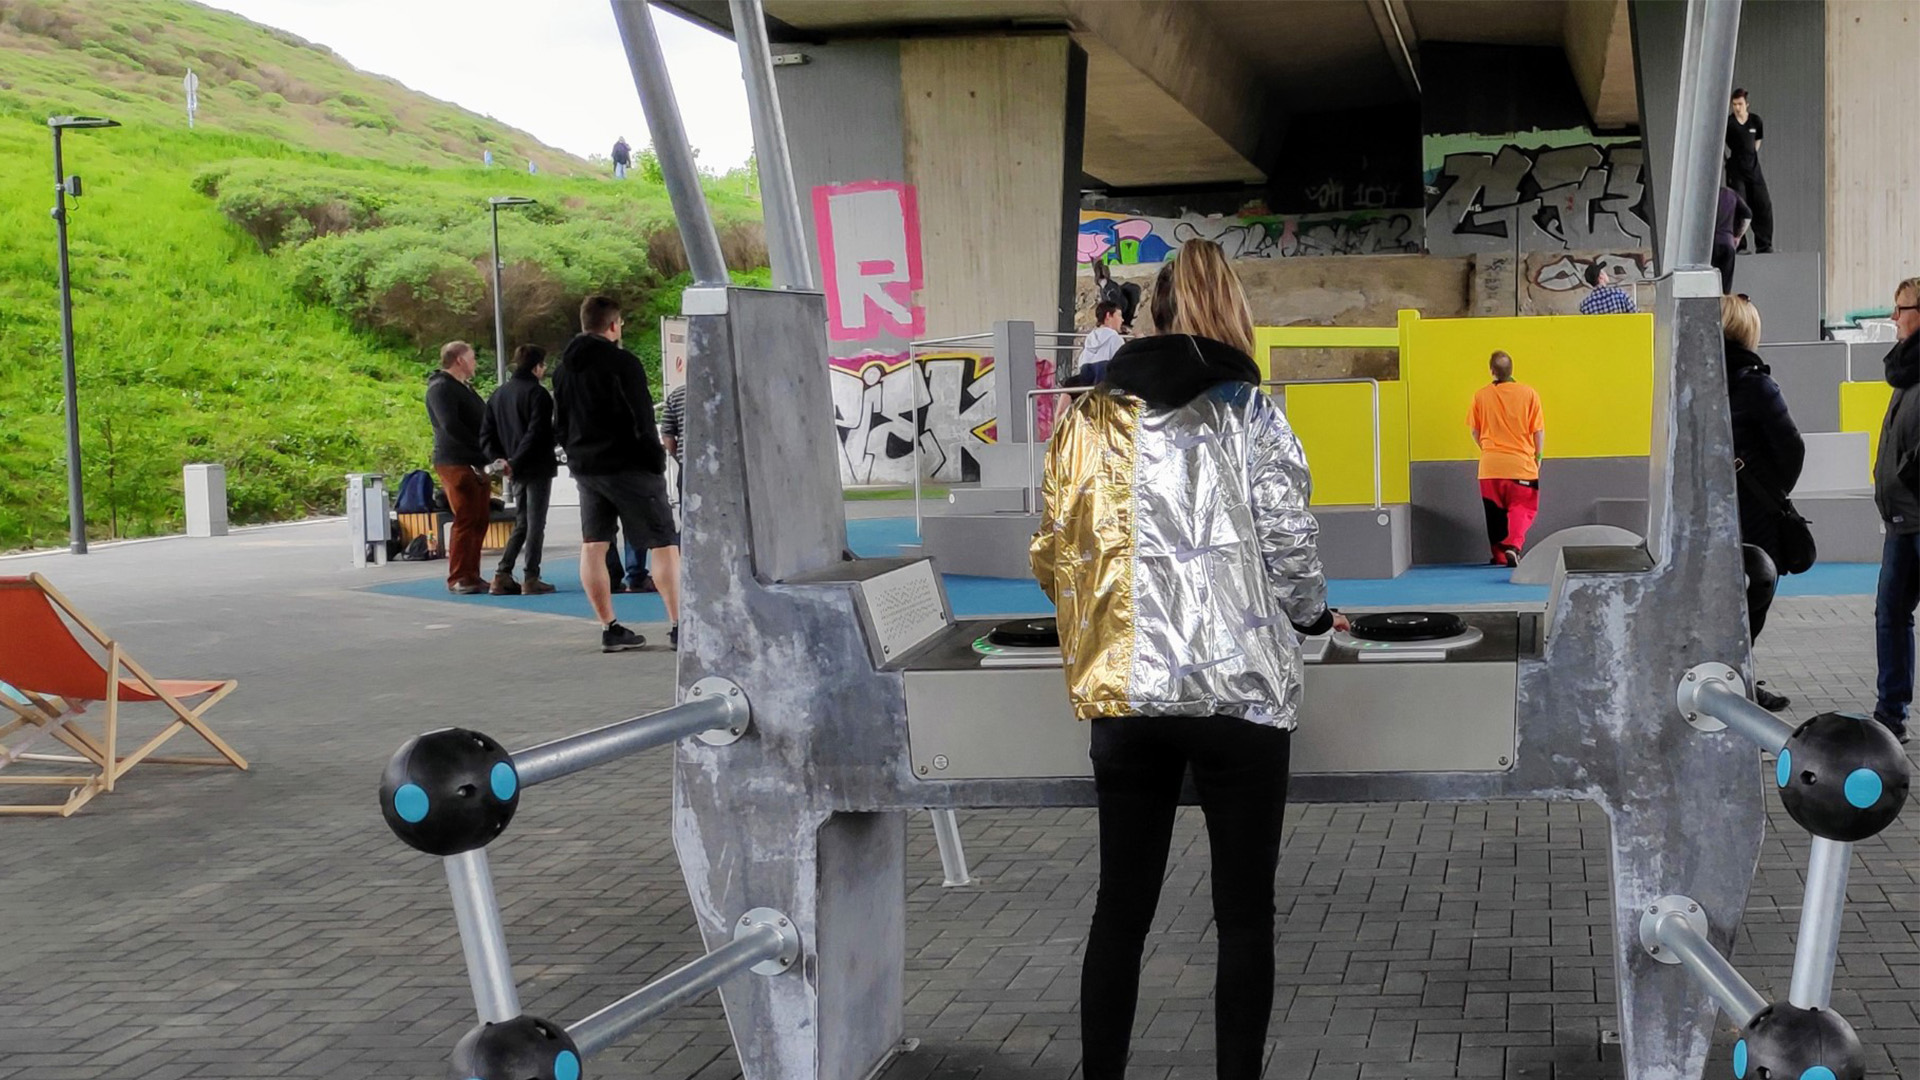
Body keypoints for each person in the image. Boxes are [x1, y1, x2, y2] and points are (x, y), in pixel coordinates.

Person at [1030, 239, 1345, 1080]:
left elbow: (1053, 552)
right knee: (1244, 917)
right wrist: (1314, 621)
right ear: (1232, 312)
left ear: (1152, 315)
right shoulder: (1249, 409)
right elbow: (1290, 546)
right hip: (1240, 700)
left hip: (1125, 700)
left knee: (1120, 911)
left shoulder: (1087, 413)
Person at [553, 295, 682, 652]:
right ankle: (679, 624)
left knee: (594, 544)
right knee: (663, 543)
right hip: (630, 466)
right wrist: (654, 459)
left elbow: (559, 422)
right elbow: (641, 415)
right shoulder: (623, 363)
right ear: (613, 325)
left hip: (586, 468)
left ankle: (610, 626)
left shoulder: (562, 370)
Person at [1723, 295, 1803, 711]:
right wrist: (1774, 492)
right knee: (1757, 588)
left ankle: (1731, 676)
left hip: (1709, 511)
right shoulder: (1755, 384)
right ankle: (1739, 679)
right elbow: (1791, 447)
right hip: (1752, 512)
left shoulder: (1698, 380)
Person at [1869, 276, 1920, 745]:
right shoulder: (1906, 371)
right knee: (1890, 614)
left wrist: (1905, 475)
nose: (1893, 317)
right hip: (1902, 520)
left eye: (1901, 308)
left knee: (1892, 613)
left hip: (1915, 512)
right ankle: (1890, 716)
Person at [480, 344, 559, 596]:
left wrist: (500, 461)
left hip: (513, 471)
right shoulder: (539, 395)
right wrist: (516, 459)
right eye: (543, 365)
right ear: (536, 366)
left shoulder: (498, 395)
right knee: (536, 523)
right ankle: (531, 577)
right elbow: (537, 433)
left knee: (522, 521)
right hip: (535, 466)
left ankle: (502, 574)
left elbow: (486, 434)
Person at [425, 340, 499, 595]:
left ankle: (472, 574)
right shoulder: (441, 388)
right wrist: (482, 447)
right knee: (466, 518)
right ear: (460, 360)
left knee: (479, 518)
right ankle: (458, 576)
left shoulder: (464, 388)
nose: (475, 362)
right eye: (472, 357)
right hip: (456, 460)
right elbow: (450, 426)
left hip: (475, 460)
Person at [1469, 351, 1545, 568]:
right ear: (1512, 370)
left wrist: (1488, 449)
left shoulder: (1480, 395)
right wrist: (1537, 456)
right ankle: (1513, 546)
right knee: (1523, 507)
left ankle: (1500, 556)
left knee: (1494, 514)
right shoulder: (1529, 394)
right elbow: (1538, 431)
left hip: (1490, 468)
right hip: (1521, 466)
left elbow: (1475, 431)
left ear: (1492, 371)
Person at [1725, 89, 1773, 254]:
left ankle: (1764, 244)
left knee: (1762, 205)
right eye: (1734, 104)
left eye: (1740, 104)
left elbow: (1757, 142)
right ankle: (1740, 245)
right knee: (1739, 207)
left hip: (1753, 169)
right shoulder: (1729, 124)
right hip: (1736, 171)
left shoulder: (1755, 121)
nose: (1737, 108)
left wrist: (1751, 155)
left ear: (1747, 105)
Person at [1067, 301, 1124, 386]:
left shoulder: (1089, 339)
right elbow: (1122, 367)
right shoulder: (1115, 339)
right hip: (1105, 389)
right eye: (1119, 315)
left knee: (1068, 384)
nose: (1122, 320)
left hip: (1086, 387)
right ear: (1108, 316)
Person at [1713, 185, 1752, 295]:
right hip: (1728, 243)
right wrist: (1738, 236)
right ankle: (1725, 309)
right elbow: (1747, 215)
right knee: (1725, 288)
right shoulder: (1730, 194)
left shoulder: (1705, 195)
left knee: (1709, 284)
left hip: (1709, 246)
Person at [659, 383, 688, 500]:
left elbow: (667, 434)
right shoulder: (732, 388)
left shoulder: (677, 394)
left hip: (688, 464)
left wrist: (680, 460)